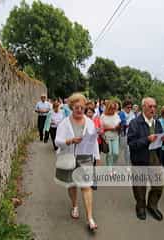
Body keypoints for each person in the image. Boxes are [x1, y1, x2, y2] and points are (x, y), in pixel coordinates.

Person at [54, 93, 99, 231]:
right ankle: (74, 205)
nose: (79, 109)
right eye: (76, 107)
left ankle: (90, 218)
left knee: (86, 187)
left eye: (82, 107)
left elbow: (93, 140)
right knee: (72, 184)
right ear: (71, 107)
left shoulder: (90, 122)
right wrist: (70, 141)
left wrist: (97, 156)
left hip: (85, 158)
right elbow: (57, 141)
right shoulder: (64, 122)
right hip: (68, 158)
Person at [127, 97, 164, 221]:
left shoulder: (157, 123)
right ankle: (141, 207)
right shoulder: (135, 123)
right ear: (143, 107)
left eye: (154, 106)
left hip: (155, 157)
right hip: (140, 158)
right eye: (150, 106)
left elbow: (160, 139)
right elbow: (131, 143)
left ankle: (152, 206)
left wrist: (163, 139)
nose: (153, 109)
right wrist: (147, 139)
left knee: (158, 185)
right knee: (139, 186)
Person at [100, 101, 121, 167]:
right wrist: (110, 128)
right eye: (111, 108)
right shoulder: (103, 116)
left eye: (114, 108)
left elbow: (119, 126)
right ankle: (109, 169)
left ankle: (113, 166)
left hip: (115, 136)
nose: (112, 110)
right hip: (106, 137)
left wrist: (118, 127)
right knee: (109, 153)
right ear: (108, 108)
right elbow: (101, 128)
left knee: (116, 153)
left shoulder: (116, 115)